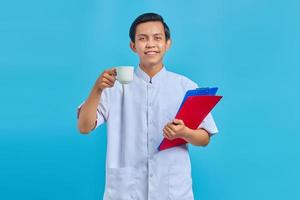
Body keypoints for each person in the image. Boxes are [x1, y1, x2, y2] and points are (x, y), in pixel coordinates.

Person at [77, 12, 218, 200]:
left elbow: (205, 138)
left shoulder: (186, 86)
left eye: (157, 38)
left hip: (173, 192)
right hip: (125, 192)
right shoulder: (115, 86)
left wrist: (184, 133)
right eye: (142, 39)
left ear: (168, 43)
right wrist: (97, 88)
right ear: (133, 46)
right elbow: (84, 127)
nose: (150, 44)